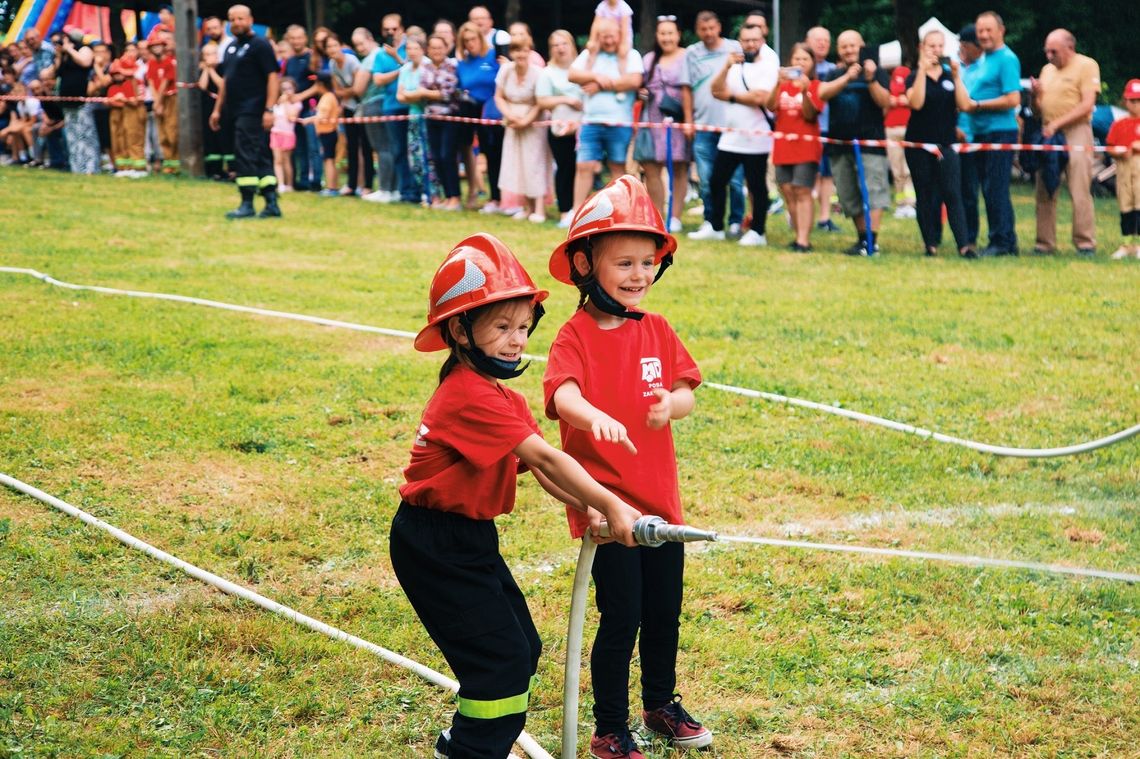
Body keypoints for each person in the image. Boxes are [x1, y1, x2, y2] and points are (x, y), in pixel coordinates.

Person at [393, 232, 640, 759]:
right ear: (460, 329)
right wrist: (617, 505)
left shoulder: (499, 394)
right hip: (434, 544)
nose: (516, 339)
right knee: (498, 662)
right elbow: (551, 459)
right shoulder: (466, 394)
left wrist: (587, 505)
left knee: (521, 648)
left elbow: (538, 464)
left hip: (468, 538)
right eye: (502, 326)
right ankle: (470, 751)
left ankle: (476, 745)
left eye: (523, 327)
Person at [544, 176, 707, 759]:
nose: (639, 275)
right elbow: (561, 395)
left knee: (664, 611)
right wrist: (591, 416)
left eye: (647, 262)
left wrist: (671, 405)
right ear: (586, 264)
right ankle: (610, 726)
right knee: (623, 617)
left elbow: (688, 389)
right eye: (624, 263)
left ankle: (660, 703)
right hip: (607, 509)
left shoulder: (656, 329)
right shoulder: (575, 335)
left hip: (661, 505)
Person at [701, 23, 778, 246]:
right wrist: (725, 67)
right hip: (731, 136)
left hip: (757, 137)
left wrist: (731, 96)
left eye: (755, 40)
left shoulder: (768, 64)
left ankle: (758, 232)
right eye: (746, 40)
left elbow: (761, 98)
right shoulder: (735, 64)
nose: (750, 44)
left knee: (756, 186)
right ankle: (716, 226)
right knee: (716, 181)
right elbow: (715, 91)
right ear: (740, 42)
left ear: (762, 40)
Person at [818, 30, 892, 256]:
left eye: (853, 45)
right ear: (838, 50)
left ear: (862, 46)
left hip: (870, 143)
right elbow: (822, 94)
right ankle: (862, 239)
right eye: (844, 46)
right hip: (839, 144)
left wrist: (869, 79)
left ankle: (873, 242)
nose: (849, 50)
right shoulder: (833, 73)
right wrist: (847, 78)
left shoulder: (877, 71)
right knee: (849, 194)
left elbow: (885, 102)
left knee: (873, 191)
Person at [904, 30, 976, 258]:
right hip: (919, 144)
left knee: (952, 192)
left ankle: (964, 245)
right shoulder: (913, 76)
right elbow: (915, 103)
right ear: (921, 48)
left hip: (946, 142)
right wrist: (923, 71)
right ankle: (930, 243)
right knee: (925, 193)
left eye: (939, 46)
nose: (936, 50)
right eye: (931, 46)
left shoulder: (949, 76)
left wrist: (956, 77)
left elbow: (965, 105)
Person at [1030, 29, 1100, 256]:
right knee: (1044, 187)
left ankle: (1085, 242)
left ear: (1070, 48)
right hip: (1049, 130)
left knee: (1079, 187)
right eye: (1046, 51)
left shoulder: (1087, 65)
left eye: (1054, 51)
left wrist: (1057, 124)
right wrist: (1035, 96)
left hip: (1076, 131)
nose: (1049, 56)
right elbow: (1037, 111)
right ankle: (1044, 243)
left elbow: (1087, 105)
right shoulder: (1047, 70)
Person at [210, 4, 281, 219]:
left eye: (241, 18)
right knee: (258, 154)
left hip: (253, 110)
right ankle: (271, 203)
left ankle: (247, 203)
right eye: (232, 19)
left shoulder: (261, 45)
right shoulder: (231, 48)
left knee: (245, 155)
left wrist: (269, 109)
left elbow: (272, 78)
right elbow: (226, 82)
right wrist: (217, 110)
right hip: (234, 110)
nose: (236, 23)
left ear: (250, 20)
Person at [569, 18, 643, 213]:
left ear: (620, 36)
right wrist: (595, 76)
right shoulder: (590, 54)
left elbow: (634, 80)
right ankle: (576, 211)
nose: (608, 41)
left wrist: (599, 85)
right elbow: (573, 74)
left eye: (612, 37)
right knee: (584, 166)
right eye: (604, 37)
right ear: (598, 37)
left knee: (617, 168)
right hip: (590, 122)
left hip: (620, 122)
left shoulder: (631, 55)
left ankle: (618, 212)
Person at [965, 11, 1022, 256]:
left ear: (1001, 31)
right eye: (980, 31)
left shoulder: (1007, 59)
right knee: (988, 189)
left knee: (995, 188)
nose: (984, 35)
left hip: (1000, 132)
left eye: (989, 30)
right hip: (980, 133)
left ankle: (1002, 242)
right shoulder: (983, 60)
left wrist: (977, 106)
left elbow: (1013, 99)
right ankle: (1001, 239)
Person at [685, 12, 744, 239]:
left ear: (719, 26)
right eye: (703, 29)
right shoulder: (692, 53)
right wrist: (689, 120)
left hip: (733, 126)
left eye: (712, 27)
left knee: (736, 180)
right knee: (707, 178)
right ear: (698, 30)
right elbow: (686, 89)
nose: (708, 33)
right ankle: (711, 221)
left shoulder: (735, 48)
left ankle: (736, 221)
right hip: (703, 126)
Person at [637, 15, 692, 233]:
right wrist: (641, 93)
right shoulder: (649, 59)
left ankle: (675, 216)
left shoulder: (687, 57)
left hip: (677, 118)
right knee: (651, 166)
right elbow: (641, 85)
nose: (666, 37)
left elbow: (691, 88)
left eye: (670, 33)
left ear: (678, 34)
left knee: (679, 167)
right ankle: (657, 214)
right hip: (652, 118)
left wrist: (689, 119)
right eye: (662, 33)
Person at [766, 43, 822, 252]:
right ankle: (798, 233)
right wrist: (777, 84)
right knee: (788, 191)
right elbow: (770, 105)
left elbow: (810, 114)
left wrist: (806, 91)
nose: (800, 63)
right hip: (783, 146)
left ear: (812, 63)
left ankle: (803, 240)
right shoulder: (783, 85)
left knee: (803, 191)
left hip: (806, 147)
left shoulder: (815, 85)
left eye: (805, 59)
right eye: (796, 59)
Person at [494, 40, 550, 222]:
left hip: (534, 122)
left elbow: (540, 102)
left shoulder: (538, 73)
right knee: (518, 162)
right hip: (512, 121)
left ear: (530, 51)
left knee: (535, 162)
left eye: (524, 50)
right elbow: (499, 97)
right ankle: (527, 207)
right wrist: (510, 115)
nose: (520, 55)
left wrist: (526, 120)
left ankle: (539, 208)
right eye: (516, 51)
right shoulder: (505, 71)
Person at [536, 30, 584, 228]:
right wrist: (566, 100)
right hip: (560, 129)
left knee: (584, 169)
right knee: (565, 168)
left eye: (564, 43)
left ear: (572, 45)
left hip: (584, 126)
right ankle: (565, 210)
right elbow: (542, 100)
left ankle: (581, 210)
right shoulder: (547, 73)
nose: (560, 48)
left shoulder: (583, 67)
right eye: (555, 45)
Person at [456, 22, 503, 213]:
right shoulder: (463, 63)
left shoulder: (493, 56)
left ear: (480, 38)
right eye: (466, 41)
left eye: (473, 39)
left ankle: (497, 197)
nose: (470, 43)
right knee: (467, 150)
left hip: (492, 111)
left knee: (493, 154)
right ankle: (473, 192)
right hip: (469, 110)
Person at [367, 15, 415, 204]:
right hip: (390, 107)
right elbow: (377, 80)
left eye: (394, 29)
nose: (390, 33)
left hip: (412, 107)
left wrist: (398, 59)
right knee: (397, 150)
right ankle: (402, 191)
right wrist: (400, 70)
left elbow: (416, 68)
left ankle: (414, 191)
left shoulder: (410, 48)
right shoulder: (380, 54)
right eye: (387, 29)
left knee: (413, 151)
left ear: (402, 29)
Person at [396, 35, 440, 205]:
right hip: (413, 117)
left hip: (429, 117)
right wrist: (415, 94)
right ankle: (424, 192)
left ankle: (435, 194)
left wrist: (412, 94)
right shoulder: (405, 69)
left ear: (422, 50)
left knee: (430, 156)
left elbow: (426, 94)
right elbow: (400, 96)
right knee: (415, 157)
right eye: (409, 49)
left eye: (415, 48)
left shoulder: (428, 66)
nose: (412, 52)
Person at [325, 33, 371, 196]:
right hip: (348, 107)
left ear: (341, 46)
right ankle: (352, 184)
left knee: (365, 146)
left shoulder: (351, 61)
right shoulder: (332, 64)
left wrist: (347, 92)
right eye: (328, 47)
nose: (332, 49)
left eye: (334, 45)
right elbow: (337, 90)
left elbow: (359, 88)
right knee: (351, 146)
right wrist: (347, 92)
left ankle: (366, 184)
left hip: (363, 105)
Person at [420, 34, 462, 210]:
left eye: (440, 47)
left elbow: (448, 92)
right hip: (431, 117)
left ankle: (455, 197)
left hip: (449, 118)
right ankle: (447, 196)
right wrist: (431, 92)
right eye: (433, 47)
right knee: (436, 157)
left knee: (447, 156)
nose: (436, 51)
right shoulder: (426, 67)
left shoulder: (453, 66)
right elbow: (421, 89)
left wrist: (428, 92)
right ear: (428, 50)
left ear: (446, 48)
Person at [806, 26, 841, 233]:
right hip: (806, 129)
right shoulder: (799, 68)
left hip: (828, 129)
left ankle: (825, 217)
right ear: (807, 41)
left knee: (827, 174)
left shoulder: (834, 70)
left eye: (826, 41)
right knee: (807, 174)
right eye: (817, 40)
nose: (822, 44)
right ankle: (800, 214)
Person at [56, 25, 99, 175]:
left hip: (81, 102)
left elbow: (85, 62)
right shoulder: (65, 54)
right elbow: (57, 72)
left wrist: (69, 50)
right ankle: (77, 168)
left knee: (85, 135)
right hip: (67, 102)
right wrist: (60, 54)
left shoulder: (84, 49)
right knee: (72, 136)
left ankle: (91, 168)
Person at [283, 25, 321, 191]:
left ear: (305, 38)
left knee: (313, 146)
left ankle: (316, 181)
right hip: (293, 111)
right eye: (293, 38)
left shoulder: (312, 57)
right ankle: (303, 179)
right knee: (299, 147)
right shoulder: (289, 61)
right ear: (288, 40)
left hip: (310, 108)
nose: (296, 41)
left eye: (299, 38)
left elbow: (318, 85)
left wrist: (300, 96)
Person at [956, 24, 983, 249]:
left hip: (981, 137)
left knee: (972, 192)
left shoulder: (986, 66)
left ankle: (972, 237)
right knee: (962, 191)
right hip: (958, 137)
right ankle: (965, 236)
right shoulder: (955, 69)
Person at [1107, 79, 1140, 259]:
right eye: (1131, 100)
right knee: (1126, 206)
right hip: (1124, 172)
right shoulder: (1119, 124)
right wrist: (1119, 153)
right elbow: (1110, 146)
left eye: (1138, 101)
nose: (1135, 105)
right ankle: (1127, 244)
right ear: (1125, 101)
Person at [885, 62, 916, 218]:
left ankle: (910, 203)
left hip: (908, 128)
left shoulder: (913, 85)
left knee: (908, 169)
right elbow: (885, 102)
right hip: (890, 129)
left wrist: (899, 101)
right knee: (897, 170)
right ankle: (900, 203)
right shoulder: (888, 85)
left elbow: (913, 101)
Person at [303, 72, 340, 196]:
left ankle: (331, 188)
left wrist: (308, 120)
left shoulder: (327, 97)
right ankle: (332, 187)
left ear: (320, 84)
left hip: (328, 132)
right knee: (329, 159)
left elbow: (322, 115)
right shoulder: (329, 96)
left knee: (328, 160)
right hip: (327, 132)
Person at [146, 31, 179, 173]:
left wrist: (158, 102)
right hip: (158, 100)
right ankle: (169, 162)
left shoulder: (169, 62)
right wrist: (156, 101)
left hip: (170, 98)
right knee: (162, 132)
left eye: (159, 46)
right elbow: (151, 82)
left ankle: (176, 161)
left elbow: (165, 82)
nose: (156, 49)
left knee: (172, 129)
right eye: (154, 46)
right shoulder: (152, 63)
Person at [108, 57, 146, 177]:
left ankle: (140, 169)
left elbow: (136, 101)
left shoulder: (136, 82)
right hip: (125, 112)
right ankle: (125, 167)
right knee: (122, 139)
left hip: (134, 112)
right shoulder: (122, 84)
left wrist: (123, 99)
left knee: (134, 139)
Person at [198, 41, 227, 179]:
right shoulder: (203, 69)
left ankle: (229, 169)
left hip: (223, 107)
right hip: (207, 107)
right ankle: (213, 170)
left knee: (224, 136)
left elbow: (222, 84)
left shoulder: (223, 67)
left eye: (213, 54)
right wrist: (206, 70)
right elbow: (202, 86)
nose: (210, 57)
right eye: (207, 54)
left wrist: (211, 70)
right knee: (210, 138)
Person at [270, 77, 301, 191]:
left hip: (288, 134)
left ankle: (289, 184)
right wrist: (280, 102)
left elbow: (291, 117)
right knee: (277, 160)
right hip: (276, 132)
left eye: (289, 88)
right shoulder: (277, 103)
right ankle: (280, 184)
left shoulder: (297, 103)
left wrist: (286, 103)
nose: (287, 91)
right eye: (284, 89)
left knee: (286, 160)